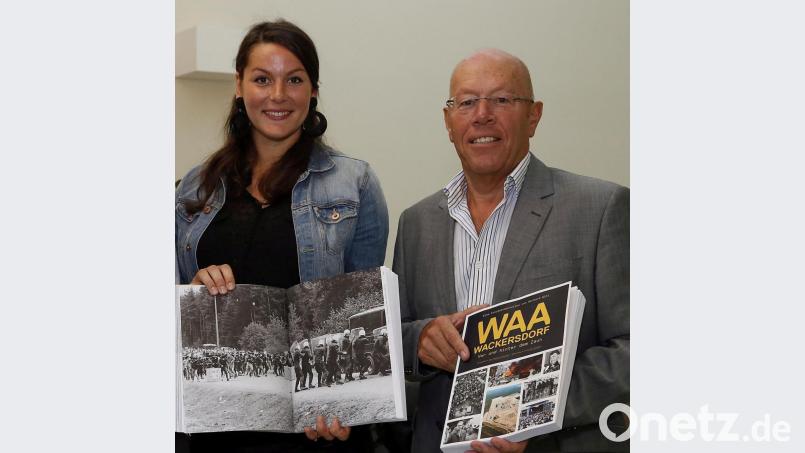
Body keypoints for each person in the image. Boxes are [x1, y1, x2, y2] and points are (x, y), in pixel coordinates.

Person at [394, 49, 629, 452]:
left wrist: (529, 413)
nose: (482, 114)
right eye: (466, 102)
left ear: (533, 116)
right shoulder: (415, 222)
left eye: (502, 100)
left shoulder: (602, 208)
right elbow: (394, 338)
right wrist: (419, 340)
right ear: (449, 122)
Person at [175, 19, 387, 453]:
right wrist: (192, 293)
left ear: (313, 90)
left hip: (320, 432)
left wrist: (348, 404)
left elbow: (361, 312)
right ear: (238, 85)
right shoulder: (193, 187)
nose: (277, 95)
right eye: (261, 79)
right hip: (217, 430)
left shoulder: (355, 183)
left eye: (294, 79)